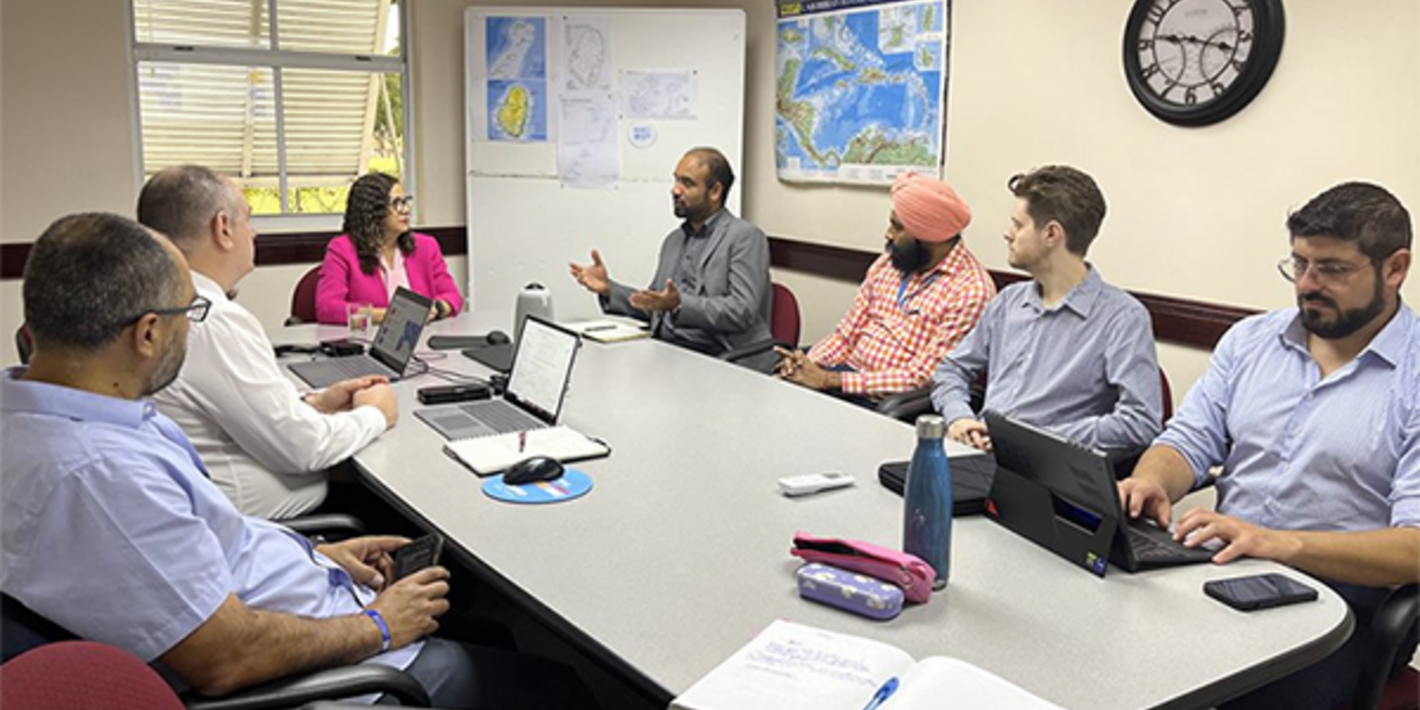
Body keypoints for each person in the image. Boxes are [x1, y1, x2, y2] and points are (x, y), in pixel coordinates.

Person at [0, 213, 596, 708]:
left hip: (311, 605)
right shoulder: (95, 476)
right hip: (330, 682)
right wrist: (380, 626)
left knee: (494, 632)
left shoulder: (56, 416)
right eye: (193, 314)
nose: (194, 328)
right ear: (148, 333)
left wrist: (314, 554)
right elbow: (223, 658)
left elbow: (205, 542)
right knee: (564, 687)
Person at [1119, 182, 1420, 710]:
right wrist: (1151, 480)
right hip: (1220, 572)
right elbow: (1187, 440)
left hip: (1343, 607)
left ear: (1395, 269)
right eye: (1299, 264)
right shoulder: (1251, 340)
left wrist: (1277, 542)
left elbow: (1414, 548)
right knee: (1106, 649)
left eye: (1332, 269)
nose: (1308, 284)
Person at [137, 165, 397, 519]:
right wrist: (375, 414)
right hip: (259, 530)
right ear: (223, 228)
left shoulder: (159, 300)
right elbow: (302, 448)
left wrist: (314, 402)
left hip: (197, 509)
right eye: (248, 218)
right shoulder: (212, 320)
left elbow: (235, 405)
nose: (254, 232)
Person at [931, 165, 1162, 456]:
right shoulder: (1008, 302)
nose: (1007, 234)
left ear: (1052, 233)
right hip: (976, 458)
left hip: (1046, 475)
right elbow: (952, 369)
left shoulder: (1122, 319)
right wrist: (959, 417)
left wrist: (1027, 439)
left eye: (1017, 224)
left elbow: (1139, 423)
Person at [775, 172, 995, 404]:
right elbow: (845, 336)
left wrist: (830, 379)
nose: (888, 234)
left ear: (930, 235)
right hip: (843, 379)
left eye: (897, 227)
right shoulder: (888, 265)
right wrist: (805, 365)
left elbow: (925, 377)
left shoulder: (971, 291)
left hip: (886, 404)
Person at [568, 147, 777, 371]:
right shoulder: (674, 240)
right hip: (668, 352)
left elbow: (741, 311)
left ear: (715, 191)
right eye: (676, 180)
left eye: (687, 183)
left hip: (720, 358)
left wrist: (679, 305)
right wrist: (609, 289)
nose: (674, 190)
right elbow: (654, 304)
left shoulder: (745, 237)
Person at [317, 172, 463, 325]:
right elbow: (328, 308)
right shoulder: (342, 249)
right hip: (367, 341)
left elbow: (453, 297)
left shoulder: (426, 246)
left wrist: (436, 308)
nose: (406, 210)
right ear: (372, 211)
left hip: (422, 339)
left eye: (406, 202)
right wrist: (391, 315)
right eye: (397, 203)